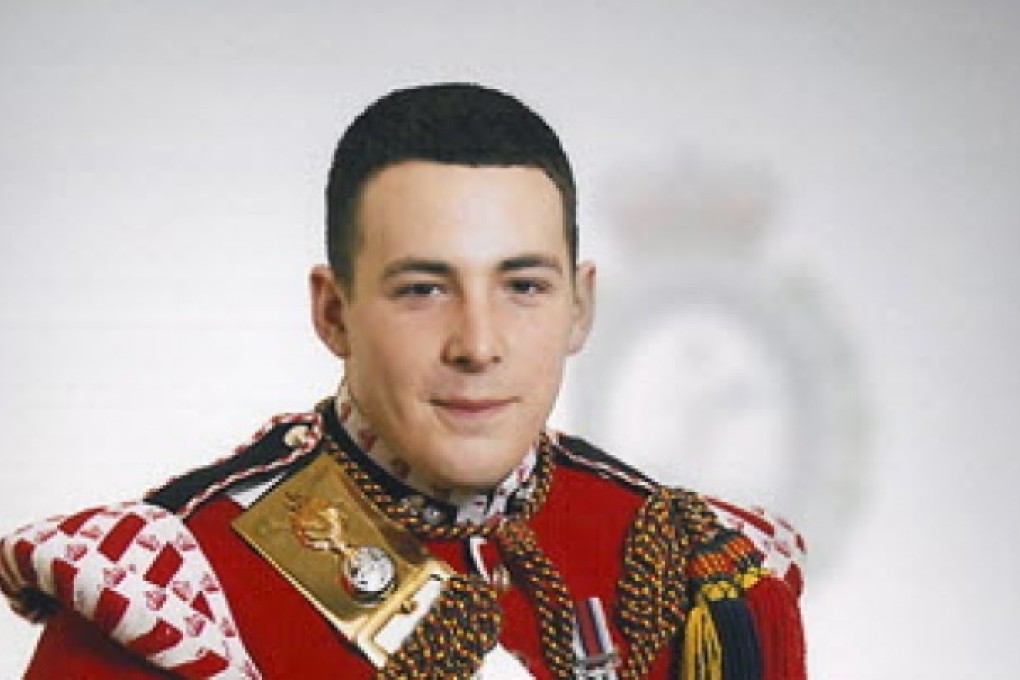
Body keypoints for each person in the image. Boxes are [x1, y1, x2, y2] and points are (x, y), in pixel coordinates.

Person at [0, 83, 806, 679]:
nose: (478, 345)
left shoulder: (696, 562)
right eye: (423, 288)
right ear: (334, 313)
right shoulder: (174, 597)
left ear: (580, 307)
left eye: (523, 286)